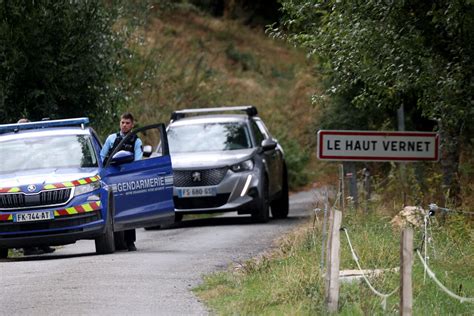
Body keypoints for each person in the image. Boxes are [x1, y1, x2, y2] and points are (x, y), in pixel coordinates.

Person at [100, 112, 143, 251]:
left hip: (127, 178)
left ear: (132, 125)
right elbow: (102, 157)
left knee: (129, 209)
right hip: (111, 177)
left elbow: (138, 161)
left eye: (127, 123)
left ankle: (130, 242)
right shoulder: (111, 139)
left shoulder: (136, 141)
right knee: (112, 209)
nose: (124, 125)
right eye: (122, 122)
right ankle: (113, 241)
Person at [16, 118, 56, 255]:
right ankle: (28, 247)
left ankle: (44, 244)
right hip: (20, 185)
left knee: (43, 215)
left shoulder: (36, 144)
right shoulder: (16, 145)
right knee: (26, 217)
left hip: (39, 181)